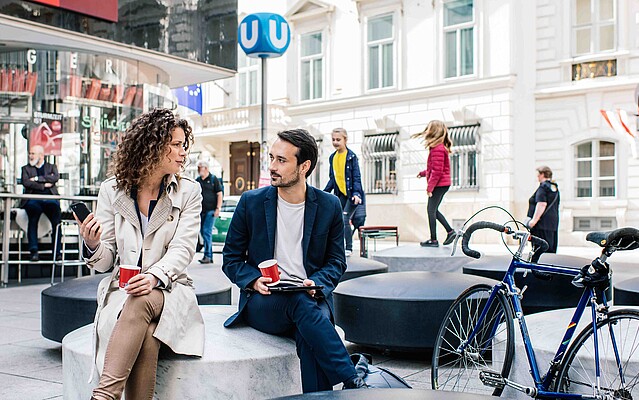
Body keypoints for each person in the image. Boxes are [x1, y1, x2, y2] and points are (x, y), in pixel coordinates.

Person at [223, 128, 367, 393]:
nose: (272, 167)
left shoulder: (329, 205)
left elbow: (336, 262)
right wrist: (254, 280)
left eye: (282, 160)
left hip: (311, 297)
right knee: (303, 309)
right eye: (272, 158)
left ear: (305, 166)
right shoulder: (251, 202)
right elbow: (231, 259)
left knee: (308, 334)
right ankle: (353, 380)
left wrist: (317, 282)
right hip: (264, 302)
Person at [75, 109, 205, 400]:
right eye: (175, 144)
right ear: (152, 146)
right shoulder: (112, 190)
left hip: (170, 289)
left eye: (184, 144)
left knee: (143, 296)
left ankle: (103, 396)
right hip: (124, 291)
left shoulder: (189, 192)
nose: (183, 152)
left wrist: (154, 277)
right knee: (147, 336)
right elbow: (106, 261)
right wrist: (93, 244)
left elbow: (183, 249)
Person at [413, 120, 457, 247]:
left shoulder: (437, 149)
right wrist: (423, 173)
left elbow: (437, 172)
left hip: (440, 184)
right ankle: (450, 232)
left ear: (433, 131)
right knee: (433, 210)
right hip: (442, 183)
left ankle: (434, 239)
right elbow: (435, 168)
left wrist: (430, 187)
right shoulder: (438, 148)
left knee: (431, 210)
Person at [323, 128, 363, 256]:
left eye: (338, 140)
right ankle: (338, 247)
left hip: (352, 195)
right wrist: (324, 193)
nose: (335, 142)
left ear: (345, 140)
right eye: (333, 139)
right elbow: (332, 179)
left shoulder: (351, 156)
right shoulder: (332, 157)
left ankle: (349, 248)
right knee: (337, 220)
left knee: (345, 218)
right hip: (340, 195)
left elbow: (356, 177)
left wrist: (357, 194)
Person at [20, 144, 62, 261]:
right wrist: (44, 186)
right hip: (33, 199)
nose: (30, 156)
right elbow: (26, 182)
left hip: (50, 200)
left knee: (57, 222)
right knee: (33, 219)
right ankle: (34, 251)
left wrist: (38, 179)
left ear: (41, 155)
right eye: (30, 153)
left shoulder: (51, 167)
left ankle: (57, 252)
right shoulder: (25, 169)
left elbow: (55, 178)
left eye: (33, 153)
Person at [526, 165, 560, 262]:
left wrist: (533, 222)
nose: (537, 177)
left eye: (538, 174)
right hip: (552, 225)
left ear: (542, 174)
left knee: (540, 253)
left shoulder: (543, 188)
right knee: (550, 252)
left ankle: (538, 273)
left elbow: (541, 204)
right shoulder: (554, 188)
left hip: (541, 225)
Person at [196, 160, 223, 264]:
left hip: (211, 210)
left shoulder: (213, 179)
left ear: (206, 169)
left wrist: (218, 208)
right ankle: (207, 255)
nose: (199, 170)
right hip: (201, 210)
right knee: (203, 232)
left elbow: (219, 194)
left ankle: (208, 255)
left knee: (207, 232)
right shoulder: (198, 180)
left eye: (200, 168)